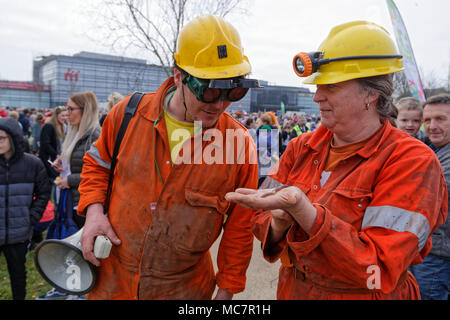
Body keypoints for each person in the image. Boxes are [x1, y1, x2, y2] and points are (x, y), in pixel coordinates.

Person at [225, 20, 447, 300]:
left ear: (370, 94)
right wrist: (279, 223)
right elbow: (260, 219)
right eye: (318, 86)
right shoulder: (300, 147)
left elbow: (378, 268)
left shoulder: (412, 161)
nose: (317, 96)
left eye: (330, 86)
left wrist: (305, 213)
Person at [77, 14, 259, 300]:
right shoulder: (127, 115)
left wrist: (226, 293)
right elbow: (97, 165)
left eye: (232, 92)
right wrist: (94, 211)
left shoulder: (237, 145)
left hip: (185, 289)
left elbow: (240, 226)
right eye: (209, 91)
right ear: (179, 76)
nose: (220, 104)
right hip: (113, 283)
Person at [0, 118, 51, 300]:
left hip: (19, 233)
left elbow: (44, 192)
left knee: (18, 276)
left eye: (1, 138)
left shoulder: (33, 164)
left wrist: (31, 218)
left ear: (13, 138)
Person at [409, 94, 450, 300]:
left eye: (440, 119)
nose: (432, 126)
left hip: (438, 254)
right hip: (426, 248)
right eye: (427, 120)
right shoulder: (433, 148)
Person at [38, 106, 66, 180]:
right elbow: (45, 144)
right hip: (49, 160)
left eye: (66, 115)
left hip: (54, 160)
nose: (65, 117)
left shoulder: (61, 126)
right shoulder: (49, 126)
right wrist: (56, 154)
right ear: (56, 115)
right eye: (63, 115)